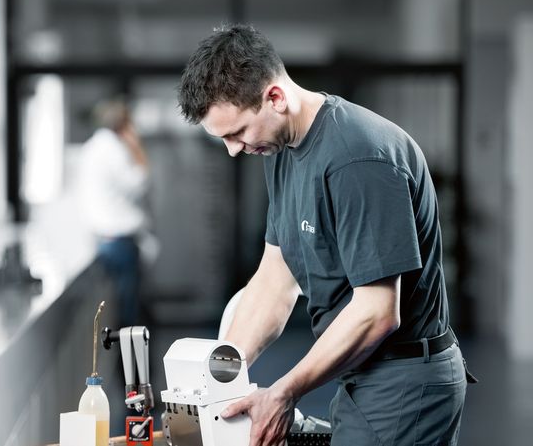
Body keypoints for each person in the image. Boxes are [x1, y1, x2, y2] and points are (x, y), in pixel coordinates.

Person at [177, 24, 476, 446]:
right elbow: (274, 278)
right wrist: (219, 377)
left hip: (404, 383)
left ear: (275, 98)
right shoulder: (281, 150)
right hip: (359, 371)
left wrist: (284, 391)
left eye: (237, 132)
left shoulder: (358, 157)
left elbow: (377, 311)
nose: (233, 149)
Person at [78, 99, 150, 327]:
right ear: (124, 125)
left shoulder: (91, 147)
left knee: (112, 309)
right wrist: (137, 148)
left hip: (103, 239)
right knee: (127, 313)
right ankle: (127, 352)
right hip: (120, 242)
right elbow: (139, 183)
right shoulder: (115, 149)